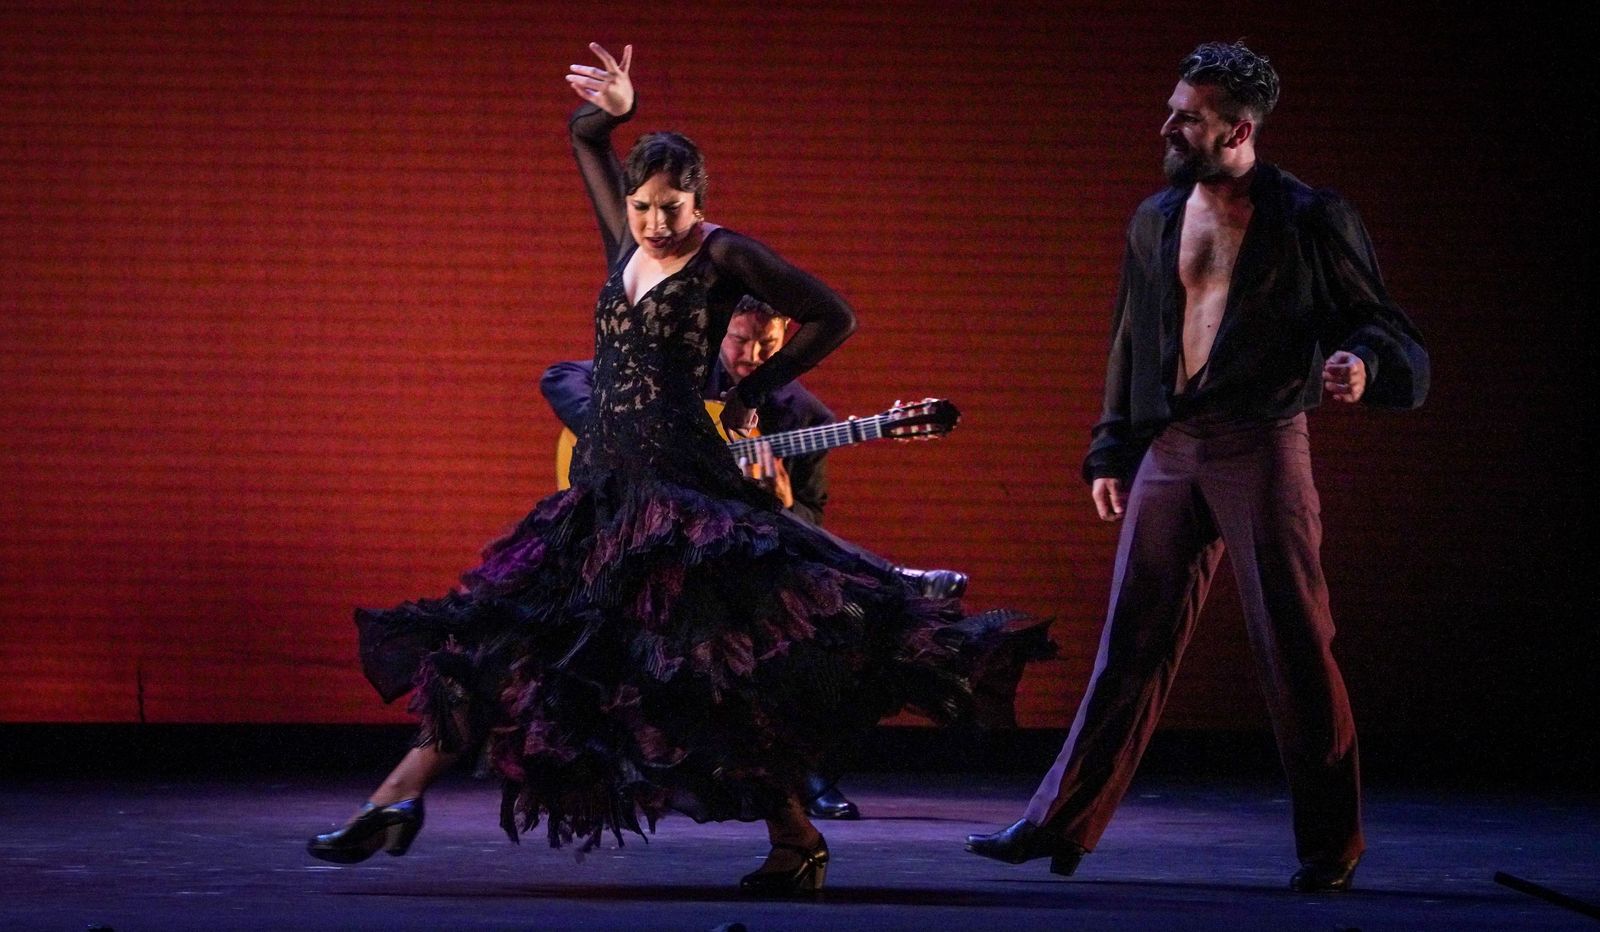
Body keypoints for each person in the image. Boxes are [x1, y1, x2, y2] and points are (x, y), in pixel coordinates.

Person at [307, 42, 1037, 897]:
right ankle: (397, 799)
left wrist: (755, 389)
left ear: (699, 199)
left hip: (683, 488)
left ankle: (796, 841)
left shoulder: (725, 256)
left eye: (671, 206)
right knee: (508, 640)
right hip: (607, 488)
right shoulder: (623, 240)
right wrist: (613, 112)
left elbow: (832, 314)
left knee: (713, 670)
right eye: (645, 206)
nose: (656, 222)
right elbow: (584, 140)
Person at [964, 41, 1428, 894]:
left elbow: (1387, 327)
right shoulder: (1155, 218)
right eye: (1173, 108)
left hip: (1263, 443)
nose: (1169, 125)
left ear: (1239, 130)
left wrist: (1363, 365)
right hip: (1174, 448)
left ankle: (1331, 846)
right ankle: (1056, 823)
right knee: (1128, 643)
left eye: (1189, 116)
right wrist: (1112, 446)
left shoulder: (1310, 217)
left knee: (1295, 645)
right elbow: (1130, 338)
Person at [542, 297, 971, 820]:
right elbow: (562, 375)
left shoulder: (804, 416)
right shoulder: (673, 376)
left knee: (795, 647)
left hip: (736, 560)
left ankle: (803, 777)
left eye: (767, 345)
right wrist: (619, 435)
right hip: (642, 536)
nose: (752, 356)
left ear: (786, 334)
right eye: (740, 340)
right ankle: (892, 578)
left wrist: (780, 500)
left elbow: (810, 518)